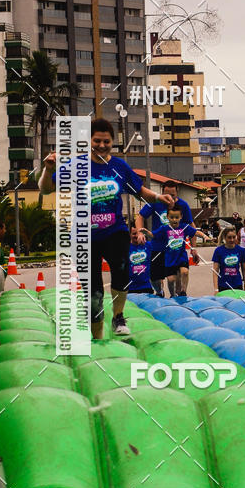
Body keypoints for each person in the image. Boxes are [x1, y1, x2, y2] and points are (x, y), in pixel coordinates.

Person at [39, 117, 175, 339]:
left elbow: (139, 190)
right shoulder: (76, 165)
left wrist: (159, 196)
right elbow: (45, 190)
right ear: (89, 141)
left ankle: (118, 316)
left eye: (106, 141)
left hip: (115, 231)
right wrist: (48, 169)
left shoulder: (119, 166)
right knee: (93, 290)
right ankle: (98, 336)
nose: (102, 145)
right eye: (97, 141)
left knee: (122, 271)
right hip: (84, 235)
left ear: (113, 142)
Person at [135, 181, 198, 296]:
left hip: (176, 249)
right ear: (163, 192)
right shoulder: (154, 203)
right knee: (154, 278)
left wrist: (193, 248)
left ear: (177, 192)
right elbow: (140, 216)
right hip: (158, 248)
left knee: (177, 277)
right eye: (167, 195)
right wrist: (140, 232)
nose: (170, 199)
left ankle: (178, 296)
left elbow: (191, 226)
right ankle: (160, 291)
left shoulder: (183, 205)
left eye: (172, 195)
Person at [148, 207, 205, 297]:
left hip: (181, 256)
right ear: (167, 217)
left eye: (177, 217)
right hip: (169, 258)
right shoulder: (164, 229)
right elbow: (153, 235)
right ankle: (172, 294)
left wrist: (204, 236)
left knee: (185, 272)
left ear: (181, 217)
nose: (174, 219)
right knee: (171, 280)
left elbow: (195, 232)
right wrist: (145, 233)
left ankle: (183, 291)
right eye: (172, 217)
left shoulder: (184, 227)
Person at [212, 226, 245, 294]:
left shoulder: (241, 250)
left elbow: (244, 269)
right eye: (229, 237)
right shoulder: (218, 251)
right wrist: (216, 289)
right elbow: (215, 271)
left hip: (237, 284)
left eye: (234, 237)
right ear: (224, 238)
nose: (232, 240)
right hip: (223, 285)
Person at [127, 225, 155, 295]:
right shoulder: (126, 248)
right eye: (133, 234)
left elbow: (159, 241)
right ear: (129, 234)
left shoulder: (148, 245)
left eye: (138, 233)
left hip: (146, 286)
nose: (136, 236)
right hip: (130, 288)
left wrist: (148, 233)